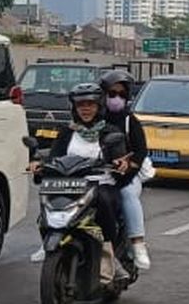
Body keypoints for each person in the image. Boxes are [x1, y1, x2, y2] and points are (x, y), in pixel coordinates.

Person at [31, 83, 131, 256]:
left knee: (105, 202)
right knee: (46, 203)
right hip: (70, 185)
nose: (85, 109)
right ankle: (49, 240)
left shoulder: (109, 132)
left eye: (90, 104)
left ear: (99, 107)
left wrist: (120, 163)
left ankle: (109, 255)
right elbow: (54, 157)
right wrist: (39, 165)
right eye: (80, 105)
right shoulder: (67, 132)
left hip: (99, 184)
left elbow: (119, 156)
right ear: (74, 108)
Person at [100, 69, 151, 269]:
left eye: (121, 94)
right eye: (112, 94)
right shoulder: (94, 120)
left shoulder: (131, 121)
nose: (116, 98)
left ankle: (138, 244)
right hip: (97, 173)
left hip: (126, 176)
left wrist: (127, 166)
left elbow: (140, 152)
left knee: (128, 194)